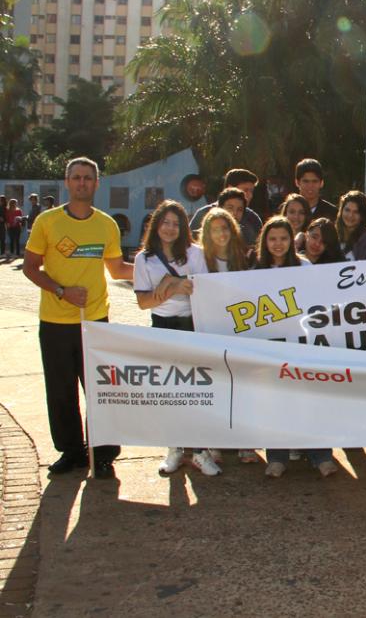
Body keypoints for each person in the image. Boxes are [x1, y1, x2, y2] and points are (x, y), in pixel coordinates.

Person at [22, 157, 134, 478]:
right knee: (61, 392)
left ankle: (103, 456)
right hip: (55, 323)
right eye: (76, 177)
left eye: (87, 178)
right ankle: (71, 452)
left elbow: (117, 269)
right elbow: (30, 267)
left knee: (101, 391)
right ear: (67, 182)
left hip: (94, 322)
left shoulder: (106, 224)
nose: (82, 182)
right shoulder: (47, 221)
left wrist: (160, 271)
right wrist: (62, 291)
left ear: (96, 183)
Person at [132, 200, 221, 477]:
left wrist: (172, 285)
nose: (170, 229)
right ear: (156, 225)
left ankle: (200, 452)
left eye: (176, 224)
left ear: (183, 227)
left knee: (196, 391)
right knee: (170, 392)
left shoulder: (196, 254)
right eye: (165, 223)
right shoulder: (143, 259)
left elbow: (204, 291)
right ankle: (174, 449)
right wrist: (171, 287)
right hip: (163, 326)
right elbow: (143, 302)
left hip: (193, 324)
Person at [253, 216, 338, 478]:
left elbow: (318, 304)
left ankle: (321, 456)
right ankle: (277, 458)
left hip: (302, 344)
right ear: (265, 241)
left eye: (283, 238)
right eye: (272, 239)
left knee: (310, 400)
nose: (278, 244)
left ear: (292, 240)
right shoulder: (253, 271)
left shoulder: (304, 266)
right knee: (275, 403)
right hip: (270, 346)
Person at [200, 208, 261, 464]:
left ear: (232, 230)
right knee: (216, 387)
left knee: (242, 387)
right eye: (215, 229)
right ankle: (215, 442)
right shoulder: (200, 260)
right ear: (207, 233)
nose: (221, 234)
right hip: (210, 331)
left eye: (225, 228)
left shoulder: (245, 258)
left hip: (240, 333)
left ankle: (245, 443)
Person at [189, 168, 263, 243]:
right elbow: (189, 243)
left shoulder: (253, 219)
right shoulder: (204, 214)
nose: (250, 195)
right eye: (245, 190)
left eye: (251, 191)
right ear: (230, 188)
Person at [336, 190, 366, 261]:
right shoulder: (332, 235)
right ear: (341, 210)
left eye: (356, 212)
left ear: (363, 215)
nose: (350, 215)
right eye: (347, 210)